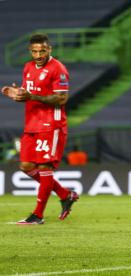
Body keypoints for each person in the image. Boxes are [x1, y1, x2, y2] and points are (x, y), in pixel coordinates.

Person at [1, 33, 79, 225]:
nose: (38, 55)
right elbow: (31, 92)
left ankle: (37, 215)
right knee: (26, 166)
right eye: (35, 51)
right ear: (30, 51)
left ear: (49, 49)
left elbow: (61, 98)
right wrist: (17, 93)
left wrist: (31, 97)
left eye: (42, 50)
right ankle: (64, 194)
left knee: (45, 167)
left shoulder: (58, 69)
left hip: (51, 124)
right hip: (32, 123)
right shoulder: (27, 67)